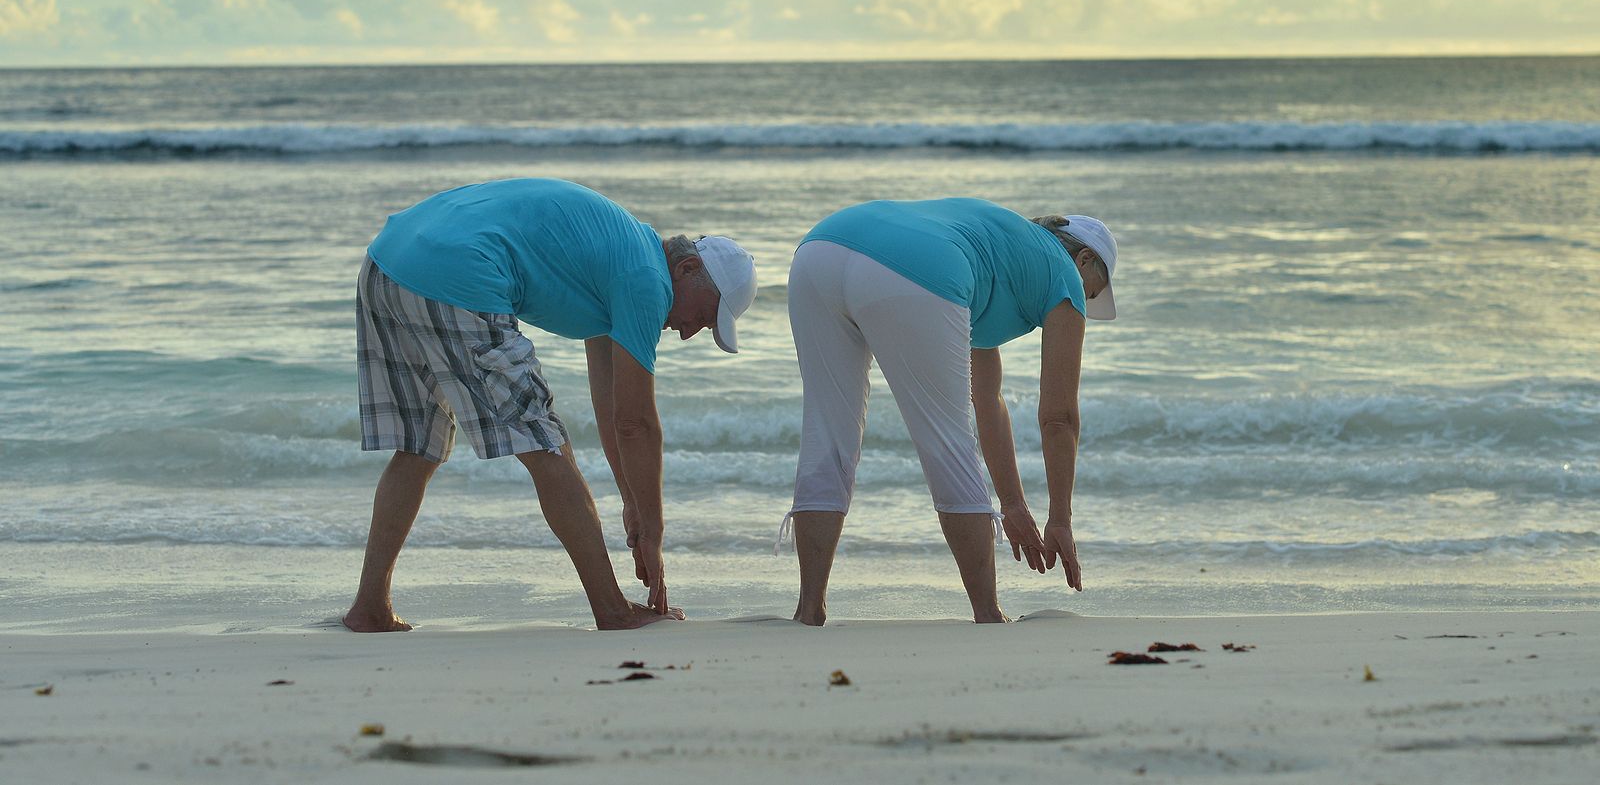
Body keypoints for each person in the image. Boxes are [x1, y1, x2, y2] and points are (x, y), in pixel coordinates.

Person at [342, 178, 756, 632]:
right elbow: (636, 423)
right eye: (704, 316)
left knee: (419, 446)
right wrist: (654, 533)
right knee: (546, 445)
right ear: (688, 268)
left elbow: (613, 409)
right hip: (457, 271)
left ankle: (370, 607)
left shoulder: (621, 256)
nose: (690, 332)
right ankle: (612, 610)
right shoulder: (647, 281)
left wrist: (634, 503)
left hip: (387, 261)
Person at [777, 199, 1117, 625]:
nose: (1084, 300)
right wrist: (1061, 520)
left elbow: (987, 400)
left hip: (819, 250)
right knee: (949, 444)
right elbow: (1059, 417)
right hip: (917, 265)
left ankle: (809, 610)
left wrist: (1013, 505)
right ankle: (988, 614)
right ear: (1084, 259)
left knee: (827, 433)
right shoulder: (1062, 273)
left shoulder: (1000, 254)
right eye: (1092, 291)